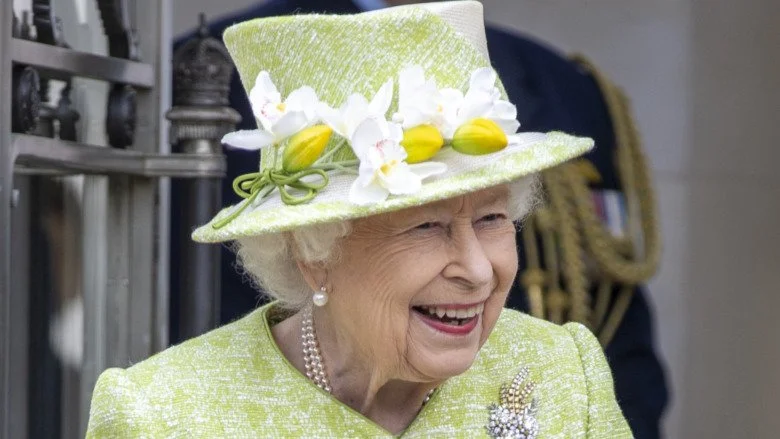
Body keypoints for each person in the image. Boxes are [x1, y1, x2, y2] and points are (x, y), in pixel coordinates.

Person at [88, 2, 631, 436]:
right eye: (427, 226)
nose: (478, 270)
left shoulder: (563, 373)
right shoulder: (163, 417)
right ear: (312, 253)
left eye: (491, 219)